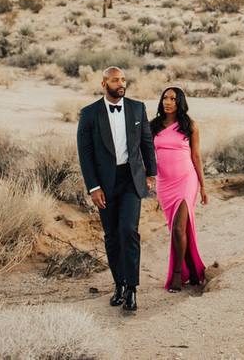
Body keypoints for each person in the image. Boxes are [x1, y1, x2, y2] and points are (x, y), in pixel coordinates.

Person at [77, 66, 156, 312]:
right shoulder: (89, 113)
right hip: (105, 184)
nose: (121, 84)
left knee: (129, 231)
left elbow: (146, 141)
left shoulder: (137, 107)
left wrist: (151, 172)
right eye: (115, 80)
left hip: (132, 178)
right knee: (112, 234)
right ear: (104, 84)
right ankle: (119, 284)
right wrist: (93, 187)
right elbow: (85, 153)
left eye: (123, 79)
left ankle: (132, 288)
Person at [150, 87, 207, 292]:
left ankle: (176, 275)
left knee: (178, 229)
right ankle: (191, 268)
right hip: (164, 184)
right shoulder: (153, 126)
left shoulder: (189, 126)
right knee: (178, 231)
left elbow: (197, 156)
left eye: (173, 98)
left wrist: (202, 186)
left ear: (179, 102)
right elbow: (147, 155)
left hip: (186, 180)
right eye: (165, 97)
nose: (168, 102)